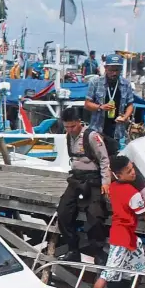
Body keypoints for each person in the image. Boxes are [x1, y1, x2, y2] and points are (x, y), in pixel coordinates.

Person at [91, 156, 145, 288]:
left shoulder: (113, 187)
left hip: (127, 236)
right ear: (119, 175)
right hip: (122, 238)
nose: (133, 173)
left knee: (139, 270)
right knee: (108, 273)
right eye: (129, 171)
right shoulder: (133, 194)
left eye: (133, 168)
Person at [57, 107, 111, 264]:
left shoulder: (92, 136)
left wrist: (106, 183)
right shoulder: (68, 137)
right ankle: (73, 248)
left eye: (72, 126)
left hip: (93, 180)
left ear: (79, 122)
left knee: (95, 215)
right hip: (76, 180)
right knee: (63, 212)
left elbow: (104, 160)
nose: (69, 130)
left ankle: (98, 251)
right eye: (66, 127)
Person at [84, 54, 134, 143]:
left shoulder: (126, 84)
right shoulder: (95, 82)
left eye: (117, 70)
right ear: (105, 68)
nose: (114, 73)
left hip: (117, 130)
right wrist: (100, 107)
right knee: (98, 155)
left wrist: (125, 117)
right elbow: (87, 104)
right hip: (98, 129)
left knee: (114, 154)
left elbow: (130, 105)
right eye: (111, 70)